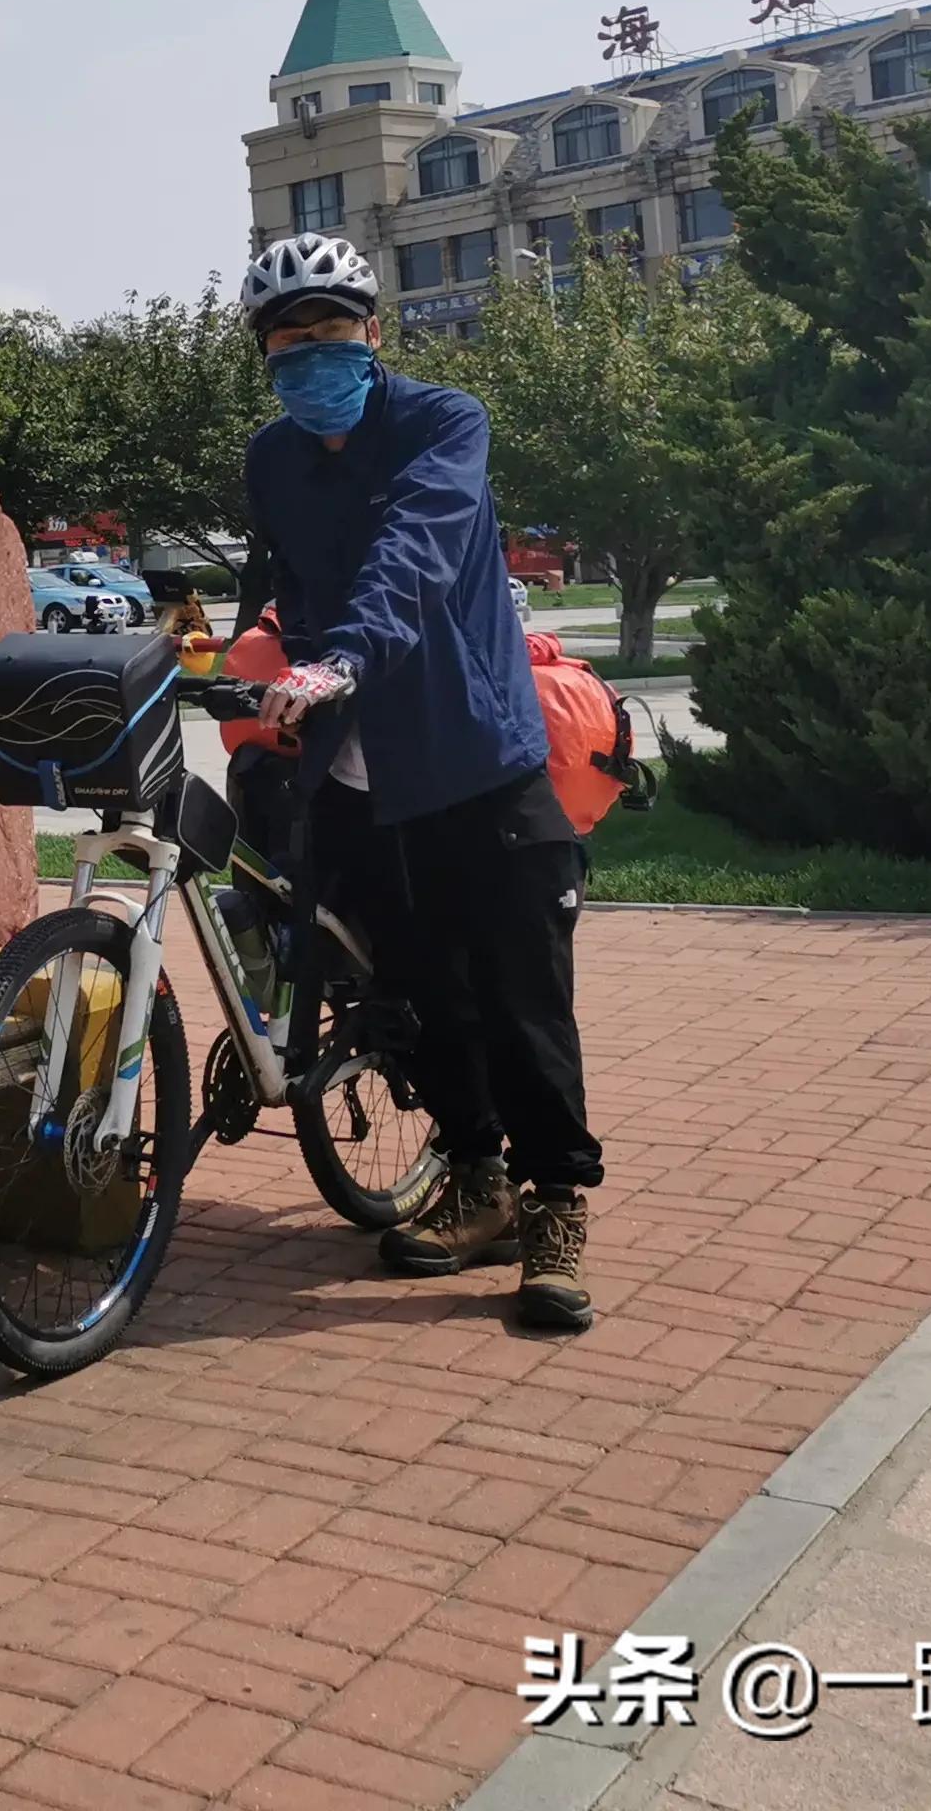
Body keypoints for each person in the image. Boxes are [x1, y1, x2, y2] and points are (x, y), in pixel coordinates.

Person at [234, 229, 600, 1333]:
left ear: (373, 334)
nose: (312, 358)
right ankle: (477, 1183)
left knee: (519, 995)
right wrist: (259, 665)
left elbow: (417, 550)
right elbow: (283, 581)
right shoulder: (272, 459)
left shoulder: (444, 423)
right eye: (288, 344)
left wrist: (342, 657)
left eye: (331, 333)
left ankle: (555, 1207)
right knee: (415, 995)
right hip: (357, 771)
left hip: (470, 753)